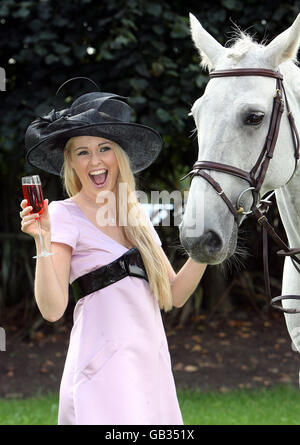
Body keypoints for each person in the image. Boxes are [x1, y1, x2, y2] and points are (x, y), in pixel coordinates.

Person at [19, 80, 207, 425]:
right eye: (82, 152)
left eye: (104, 148)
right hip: (100, 374)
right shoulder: (63, 214)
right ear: (70, 161)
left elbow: (176, 294)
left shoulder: (135, 214)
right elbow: (51, 309)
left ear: (118, 156)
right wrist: (42, 240)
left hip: (149, 368)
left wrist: (206, 249)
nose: (95, 161)